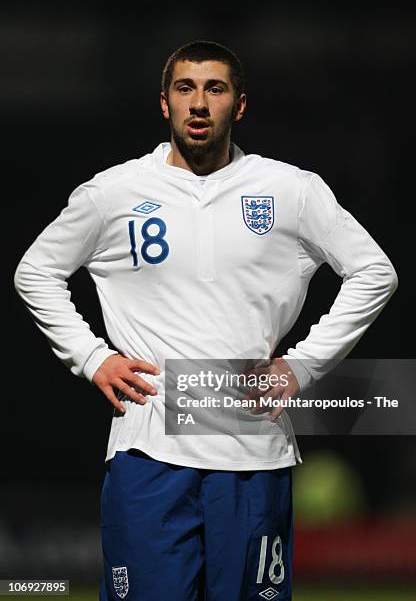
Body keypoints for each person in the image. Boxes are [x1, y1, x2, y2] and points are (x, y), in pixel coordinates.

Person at [14, 40, 397, 601]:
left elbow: (374, 272)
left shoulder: (290, 190)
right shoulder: (113, 193)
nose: (199, 103)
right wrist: (92, 357)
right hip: (149, 454)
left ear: (238, 106)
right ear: (164, 103)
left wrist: (302, 366)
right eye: (185, 89)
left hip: (252, 450)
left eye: (214, 89)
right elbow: (36, 272)